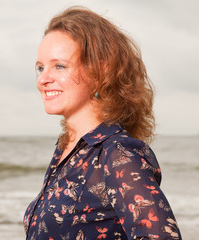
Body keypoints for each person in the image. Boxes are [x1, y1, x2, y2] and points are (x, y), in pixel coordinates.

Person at [23, 6, 181, 240]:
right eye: (40, 67)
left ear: (100, 71)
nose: (43, 79)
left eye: (59, 66)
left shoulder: (116, 154)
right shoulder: (67, 152)